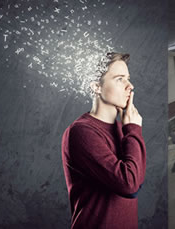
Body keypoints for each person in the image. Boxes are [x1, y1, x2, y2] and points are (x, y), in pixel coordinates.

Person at [61, 53, 145, 229]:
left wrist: (129, 129)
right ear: (96, 87)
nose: (130, 86)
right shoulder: (81, 132)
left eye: (128, 78)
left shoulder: (123, 130)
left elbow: (137, 178)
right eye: (120, 79)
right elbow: (130, 185)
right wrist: (134, 130)